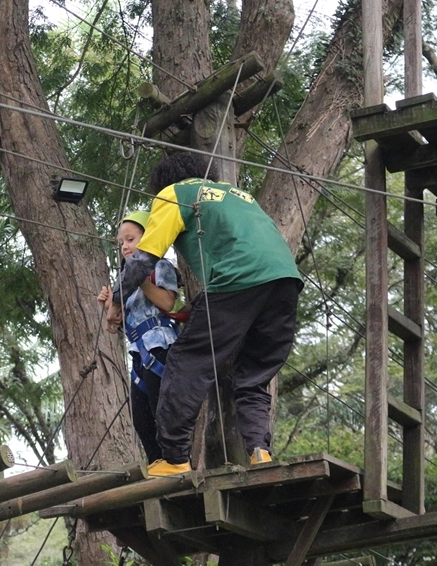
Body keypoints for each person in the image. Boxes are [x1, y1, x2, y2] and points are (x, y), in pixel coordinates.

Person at [108, 152, 302, 477]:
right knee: (253, 375)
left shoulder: (175, 194)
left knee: (187, 361)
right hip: (285, 281)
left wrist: (116, 300)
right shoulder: (240, 196)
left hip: (238, 277)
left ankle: (174, 457)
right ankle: (259, 452)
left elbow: (143, 260)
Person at [98, 211, 181, 464]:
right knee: (141, 417)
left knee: (162, 410)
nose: (125, 247)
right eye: (122, 242)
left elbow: (167, 301)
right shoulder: (125, 283)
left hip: (160, 347)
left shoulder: (160, 267)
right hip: (138, 352)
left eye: (131, 240)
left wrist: (141, 279)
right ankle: (157, 463)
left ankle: (174, 461)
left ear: (148, 239)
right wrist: (109, 308)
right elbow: (119, 325)